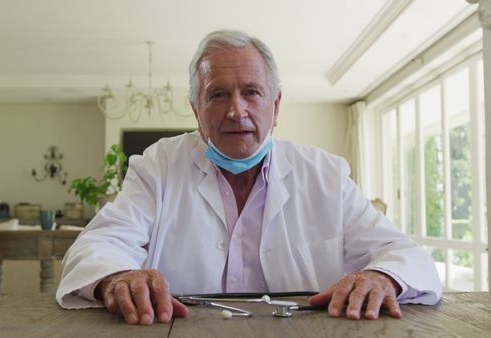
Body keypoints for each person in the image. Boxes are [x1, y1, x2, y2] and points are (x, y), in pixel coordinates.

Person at [56, 29, 442, 325]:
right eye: (218, 94)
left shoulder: (325, 174)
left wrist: (380, 276)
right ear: (196, 109)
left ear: (275, 105)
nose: (236, 110)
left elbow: (405, 255)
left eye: (252, 92)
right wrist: (118, 277)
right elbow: (98, 246)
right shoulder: (158, 166)